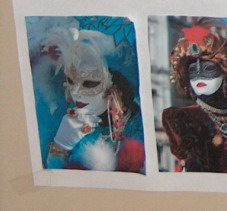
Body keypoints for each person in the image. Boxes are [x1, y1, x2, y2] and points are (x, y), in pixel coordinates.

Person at [29, 19, 145, 172]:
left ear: (116, 87)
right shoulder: (56, 124)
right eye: (71, 81)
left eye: (90, 83)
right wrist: (60, 146)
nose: (75, 92)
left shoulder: (138, 128)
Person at [162, 23, 227, 174]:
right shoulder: (180, 118)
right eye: (193, 71)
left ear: (225, 74)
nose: (199, 76)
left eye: (208, 69)